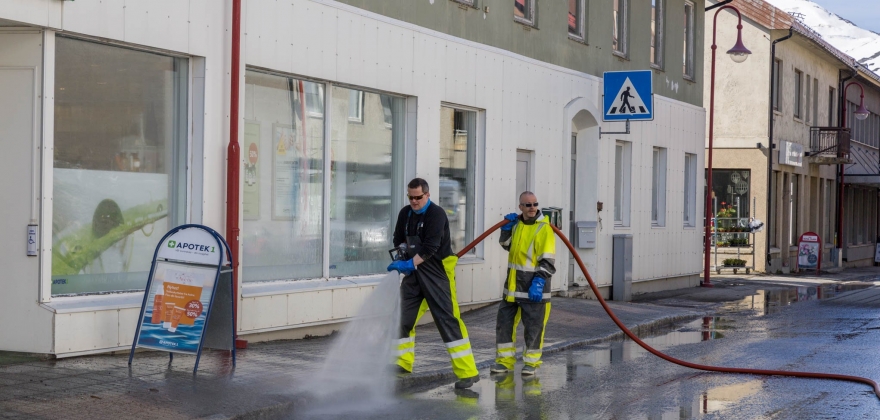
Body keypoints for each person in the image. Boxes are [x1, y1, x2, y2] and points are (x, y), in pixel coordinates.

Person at [387, 178, 480, 389]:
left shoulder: (436, 214)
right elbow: (398, 238)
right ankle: (402, 363)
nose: (414, 201)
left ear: (427, 195)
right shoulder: (405, 213)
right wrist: (401, 255)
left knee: (448, 320)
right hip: (415, 273)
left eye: (418, 197)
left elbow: (430, 248)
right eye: (410, 197)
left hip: (438, 272)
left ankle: (468, 372)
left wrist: (409, 263)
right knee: (401, 316)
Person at [491, 191, 556, 376]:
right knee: (504, 324)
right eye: (527, 205)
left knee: (533, 328)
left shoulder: (544, 228)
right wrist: (506, 229)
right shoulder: (518, 224)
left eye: (535, 204)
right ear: (520, 207)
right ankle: (504, 362)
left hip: (533, 288)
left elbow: (548, 259)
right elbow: (507, 245)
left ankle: (531, 363)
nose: (532, 208)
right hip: (512, 288)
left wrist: (539, 281)